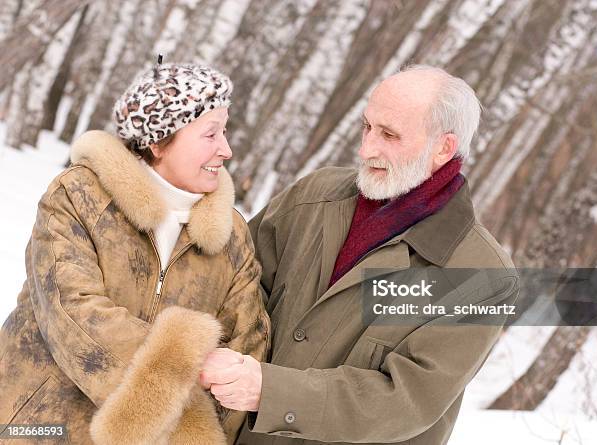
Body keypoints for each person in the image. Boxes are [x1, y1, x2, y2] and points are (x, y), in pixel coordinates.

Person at [200, 65, 520, 445]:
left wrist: (270, 391)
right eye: (367, 127)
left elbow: (406, 401)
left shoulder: (479, 276)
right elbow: (231, 287)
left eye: (389, 135)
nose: (367, 149)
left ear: (443, 148)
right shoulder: (312, 197)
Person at [0, 63, 270, 444]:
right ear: (158, 142)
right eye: (210, 134)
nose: (226, 150)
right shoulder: (79, 195)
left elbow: (245, 349)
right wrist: (183, 366)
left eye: (224, 131)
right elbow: (71, 311)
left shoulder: (231, 234)